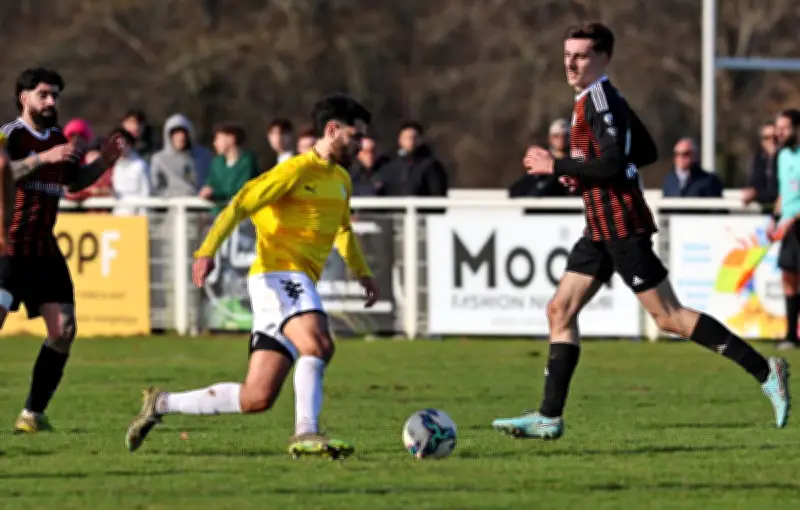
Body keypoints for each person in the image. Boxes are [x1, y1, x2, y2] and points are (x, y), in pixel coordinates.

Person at [492, 22, 790, 440]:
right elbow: (644, 151)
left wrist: (556, 166)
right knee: (560, 311)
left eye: (581, 56)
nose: (571, 63)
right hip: (599, 225)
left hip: (620, 225)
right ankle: (548, 416)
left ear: (603, 59)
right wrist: (584, 176)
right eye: (567, 55)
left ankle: (766, 371)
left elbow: (615, 163)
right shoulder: (596, 99)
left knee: (669, 317)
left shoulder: (599, 99)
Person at [125, 93, 380, 459]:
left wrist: (363, 273)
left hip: (293, 282)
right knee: (319, 345)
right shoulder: (294, 170)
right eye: (355, 137)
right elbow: (242, 201)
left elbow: (342, 230)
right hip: (277, 275)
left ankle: (160, 404)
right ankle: (306, 432)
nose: (361, 145)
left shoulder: (340, 178)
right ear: (332, 130)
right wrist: (206, 251)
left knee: (256, 397)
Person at [0, 68, 124, 433]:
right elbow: (4, 173)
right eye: (43, 94)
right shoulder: (11, 136)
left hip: (43, 248)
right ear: (24, 97)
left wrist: (103, 163)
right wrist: (44, 158)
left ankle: (32, 414)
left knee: (64, 329)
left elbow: (73, 183)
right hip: (7, 245)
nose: (51, 102)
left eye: (55, 95)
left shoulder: (57, 137)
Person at [769, 109, 800, 351]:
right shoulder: (781, 156)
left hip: (797, 222)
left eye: (785, 128)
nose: (779, 133)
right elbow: (784, 193)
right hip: (790, 227)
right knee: (788, 278)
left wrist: (794, 218)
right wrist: (775, 218)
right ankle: (791, 335)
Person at [200, 123, 260, 216]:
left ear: (231, 138)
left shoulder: (247, 162)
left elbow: (239, 190)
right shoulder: (217, 163)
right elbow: (211, 183)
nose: (214, 143)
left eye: (218, 138)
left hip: (241, 216)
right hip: (218, 215)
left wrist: (215, 194)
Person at [150, 114, 212, 197]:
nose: (181, 137)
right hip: (173, 206)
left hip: (201, 205)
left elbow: (211, 181)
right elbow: (156, 189)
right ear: (169, 136)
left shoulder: (203, 155)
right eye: (176, 133)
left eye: (184, 133)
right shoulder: (159, 159)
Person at [111, 131, 151, 216]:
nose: (120, 147)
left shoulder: (140, 165)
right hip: (117, 214)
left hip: (136, 215)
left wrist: (142, 216)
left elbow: (146, 192)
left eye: (123, 144)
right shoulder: (113, 166)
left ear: (129, 145)